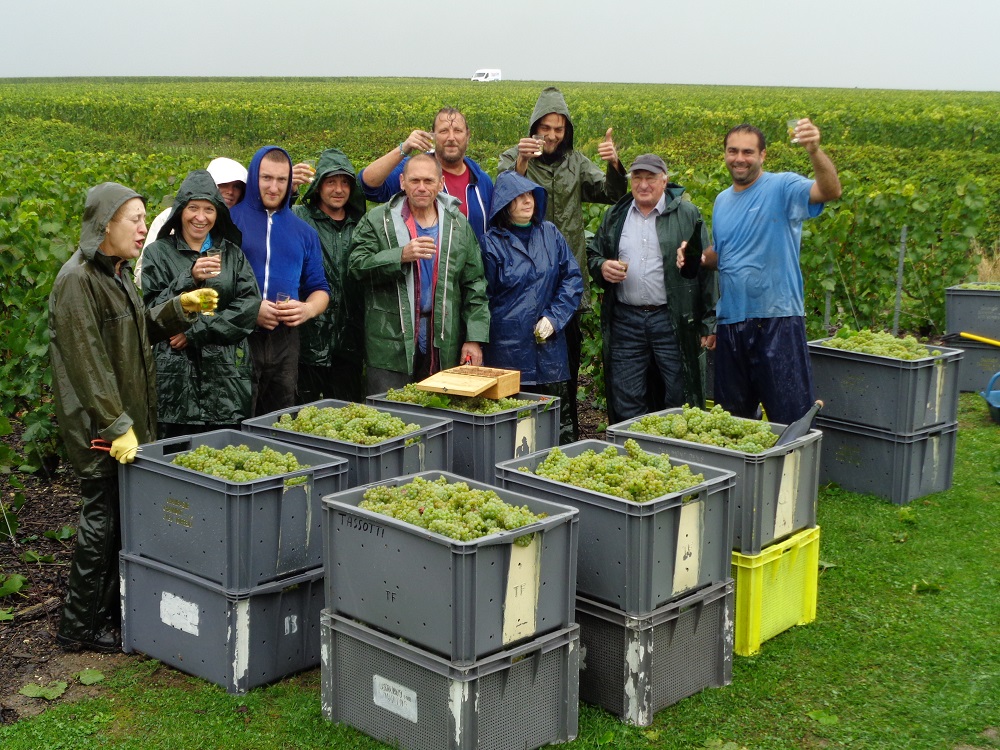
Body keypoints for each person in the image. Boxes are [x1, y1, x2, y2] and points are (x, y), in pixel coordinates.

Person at [48, 182, 217, 652]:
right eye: (135, 220)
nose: (145, 229)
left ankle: (106, 614)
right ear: (106, 225)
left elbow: (139, 331)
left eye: (145, 219)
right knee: (101, 521)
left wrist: (179, 308)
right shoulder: (77, 280)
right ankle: (78, 628)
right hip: (102, 427)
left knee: (119, 522)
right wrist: (117, 425)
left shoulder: (116, 273)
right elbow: (87, 363)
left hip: (124, 421)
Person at [498, 86, 627, 440]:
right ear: (533, 127)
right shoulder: (513, 157)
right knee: (520, 359)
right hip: (520, 281)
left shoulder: (576, 162)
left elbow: (612, 193)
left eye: (559, 129)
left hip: (565, 282)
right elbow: (503, 193)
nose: (552, 135)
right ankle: (521, 434)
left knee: (567, 364)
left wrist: (614, 164)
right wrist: (522, 163)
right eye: (546, 127)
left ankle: (564, 434)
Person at [711, 121, 842, 424]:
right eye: (733, 151)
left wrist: (814, 151)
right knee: (732, 422)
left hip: (777, 320)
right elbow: (722, 253)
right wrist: (694, 256)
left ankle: (793, 472)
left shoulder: (783, 186)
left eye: (747, 151)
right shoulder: (721, 201)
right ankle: (746, 472)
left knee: (790, 417)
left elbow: (830, 190)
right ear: (725, 154)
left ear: (763, 155)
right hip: (731, 322)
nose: (739, 158)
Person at [587, 154, 718, 425]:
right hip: (626, 321)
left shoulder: (687, 215)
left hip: (671, 320)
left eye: (650, 178)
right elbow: (593, 253)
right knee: (627, 397)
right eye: (637, 177)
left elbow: (703, 268)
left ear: (664, 180)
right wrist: (602, 267)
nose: (643, 184)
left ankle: (675, 453)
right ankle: (632, 455)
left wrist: (709, 321)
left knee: (679, 394)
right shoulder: (616, 215)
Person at [349, 153, 490, 394]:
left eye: (428, 181)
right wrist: (399, 255)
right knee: (389, 415)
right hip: (389, 343)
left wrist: (474, 338)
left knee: (439, 415)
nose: (422, 188)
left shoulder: (457, 224)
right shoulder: (377, 220)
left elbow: (475, 284)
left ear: (440, 183)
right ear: (402, 182)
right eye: (415, 181)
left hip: (443, 339)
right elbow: (356, 266)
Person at [141, 169, 262, 437]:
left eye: (209, 209)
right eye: (193, 208)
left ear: (218, 213)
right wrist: (189, 278)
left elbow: (248, 307)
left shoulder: (233, 255)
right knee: (175, 456)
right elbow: (151, 311)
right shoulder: (157, 254)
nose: (200, 217)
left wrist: (195, 330)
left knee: (222, 458)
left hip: (225, 382)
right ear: (180, 211)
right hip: (176, 382)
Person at [482, 171, 582, 443]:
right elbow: (482, 296)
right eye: (518, 197)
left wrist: (554, 317)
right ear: (504, 204)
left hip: (550, 350)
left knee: (555, 424)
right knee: (513, 429)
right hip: (507, 350)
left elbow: (571, 279)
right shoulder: (491, 243)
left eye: (530, 195)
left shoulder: (550, 234)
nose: (527, 201)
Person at [230, 146, 330, 415]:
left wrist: (307, 309)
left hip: (285, 338)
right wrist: (251, 309)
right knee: (237, 414)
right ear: (254, 178)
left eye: (281, 180)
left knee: (279, 417)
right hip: (238, 335)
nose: (273, 187)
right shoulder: (230, 222)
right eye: (266, 178)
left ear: (290, 182)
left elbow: (320, 289)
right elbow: (213, 283)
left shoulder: (304, 232)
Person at [292, 148, 366, 403]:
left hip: (350, 341)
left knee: (346, 411)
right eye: (331, 182)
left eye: (345, 182)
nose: (338, 189)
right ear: (319, 186)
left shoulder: (361, 224)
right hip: (307, 337)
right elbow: (272, 216)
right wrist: (290, 187)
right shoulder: (300, 217)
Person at [358, 107, 494, 245]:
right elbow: (367, 184)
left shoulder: (482, 180)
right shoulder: (414, 170)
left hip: (474, 265)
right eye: (443, 131)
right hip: (427, 264)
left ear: (467, 135)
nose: (451, 138)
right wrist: (403, 148)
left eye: (458, 131)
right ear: (433, 136)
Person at [135, 157, 248, 285]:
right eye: (223, 185)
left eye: (237, 187)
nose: (230, 191)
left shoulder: (237, 225)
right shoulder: (167, 218)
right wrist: (188, 279)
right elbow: (142, 275)